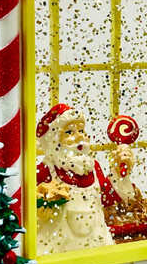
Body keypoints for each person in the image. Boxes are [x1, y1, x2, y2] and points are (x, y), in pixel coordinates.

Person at [35, 104, 123, 254]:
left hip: (96, 247)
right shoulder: (46, 170)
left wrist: (119, 174)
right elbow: (29, 204)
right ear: (54, 141)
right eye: (69, 132)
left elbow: (106, 198)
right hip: (58, 251)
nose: (80, 136)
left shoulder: (93, 167)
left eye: (81, 130)